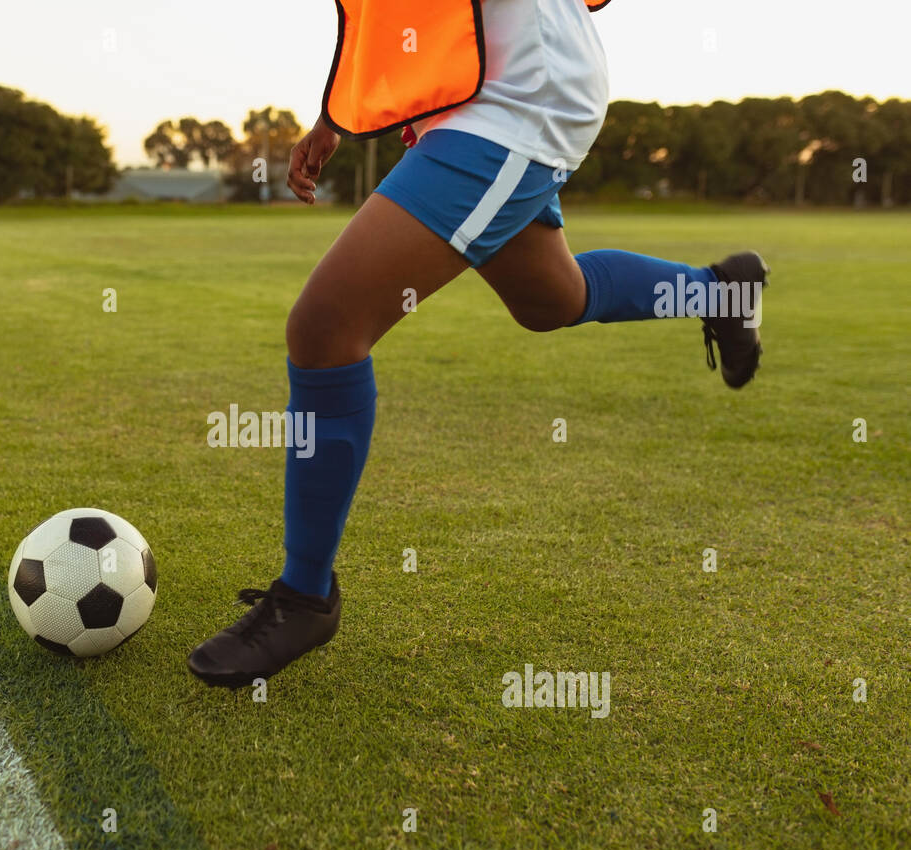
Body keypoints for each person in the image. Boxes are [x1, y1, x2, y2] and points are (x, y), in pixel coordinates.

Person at [188, 0, 767, 687]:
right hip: (478, 99)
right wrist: (334, 116)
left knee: (326, 329)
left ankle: (305, 597)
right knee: (552, 299)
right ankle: (721, 291)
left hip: (515, 98)